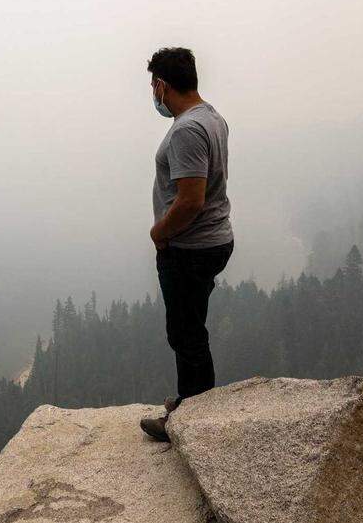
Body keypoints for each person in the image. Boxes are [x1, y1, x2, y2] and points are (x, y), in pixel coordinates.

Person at [139, 47, 234, 443]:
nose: (152, 94)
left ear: (162, 85)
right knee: (191, 328)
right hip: (210, 240)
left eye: (151, 86)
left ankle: (194, 423)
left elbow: (191, 198)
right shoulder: (212, 117)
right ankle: (193, 404)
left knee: (185, 333)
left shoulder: (186, 130)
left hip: (189, 247)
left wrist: (159, 233)